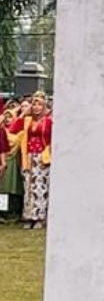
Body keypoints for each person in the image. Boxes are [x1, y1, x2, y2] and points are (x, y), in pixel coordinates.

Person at [8, 92, 52, 229]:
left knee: (40, 187)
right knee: (28, 187)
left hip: (42, 156)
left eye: (39, 104)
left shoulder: (48, 121)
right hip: (28, 156)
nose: (36, 107)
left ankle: (39, 217)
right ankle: (28, 216)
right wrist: (23, 112)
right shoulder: (27, 120)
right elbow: (13, 129)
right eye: (34, 104)